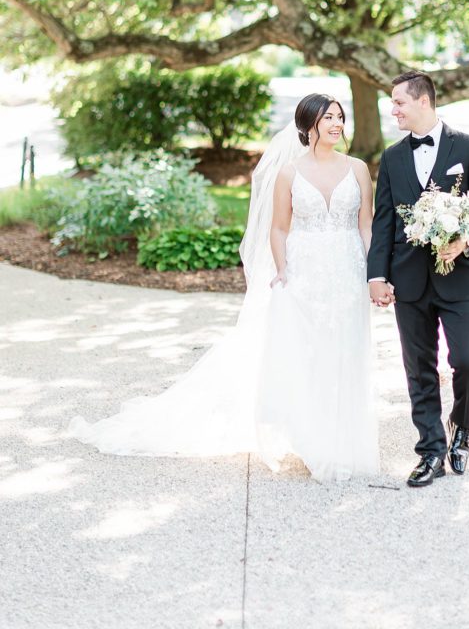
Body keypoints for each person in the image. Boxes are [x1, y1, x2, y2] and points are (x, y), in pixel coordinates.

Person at [68, 93, 379, 483]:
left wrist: (374, 272)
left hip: (347, 271)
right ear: (308, 125)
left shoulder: (357, 169)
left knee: (345, 351)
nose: (336, 124)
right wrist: (283, 269)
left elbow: (366, 224)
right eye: (328, 117)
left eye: (339, 117)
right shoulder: (290, 173)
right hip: (304, 273)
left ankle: (342, 436)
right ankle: (313, 439)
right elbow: (278, 228)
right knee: (309, 355)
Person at [367, 71, 469, 487]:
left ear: (423, 101)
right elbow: (384, 220)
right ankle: (430, 451)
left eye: (399, 103)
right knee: (419, 368)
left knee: (467, 360)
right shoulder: (392, 158)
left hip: (459, 279)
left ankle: (462, 427)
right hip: (408, 280)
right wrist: (377, 275)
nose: (393, 110)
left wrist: (464, 241)